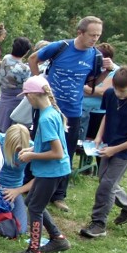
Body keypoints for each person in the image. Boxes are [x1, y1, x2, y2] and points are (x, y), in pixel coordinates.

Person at [28, 16, 104, 212]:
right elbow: (33, 58)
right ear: (80, 32)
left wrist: (107, 70)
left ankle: (59, 195)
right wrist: (39, 84)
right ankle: (30, 185)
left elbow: (91, 81)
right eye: (92, 35)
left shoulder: (95, 56)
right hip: (48, 108)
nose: (95, 39)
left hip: (73, 111)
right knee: (38, 145)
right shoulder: (60, 47)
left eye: (98, 35)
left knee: (66, 154)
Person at [79, 66, 127, 238]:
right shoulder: (110, 94)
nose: (118, 93)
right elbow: (107, 115)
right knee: (105, 181)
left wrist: (114, 150)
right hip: (107, 145)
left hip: (124, 152)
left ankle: (98, 224)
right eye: (115, 89)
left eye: (122, 91)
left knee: (107, 185)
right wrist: (98, 137)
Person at [14, 76, 72, 253]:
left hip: (51, 171)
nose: (27, 100)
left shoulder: (46, 118)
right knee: (32, 201)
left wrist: (32, 156)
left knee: (35, 209)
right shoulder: (52, 112)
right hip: (53, 170)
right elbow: (47, 145)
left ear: (32, 95)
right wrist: (31, 149)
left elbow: (57, 152)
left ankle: (33, 251)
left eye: (26, 96)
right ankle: (57, 239)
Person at [78, 42, 118, 142]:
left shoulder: (115, 71)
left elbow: (103, 92)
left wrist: (82, 87)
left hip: (99, 112)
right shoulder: (90, 66)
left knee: (93, 142)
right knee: (78, 140)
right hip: (82, 109)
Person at [0, 124, 32, 235]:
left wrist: (18, 191)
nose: (17, 151)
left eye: (20, 149)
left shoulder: (33, 149)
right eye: (14, 148)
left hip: (14, 190)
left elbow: (41, 179)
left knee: (20, 230)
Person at [0, 36, 33, 132]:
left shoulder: (6, 58)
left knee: (2, 124)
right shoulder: (25, 69)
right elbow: (28, 85)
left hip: (4, 94)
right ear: (26, 52)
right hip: (16, 99)